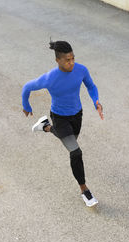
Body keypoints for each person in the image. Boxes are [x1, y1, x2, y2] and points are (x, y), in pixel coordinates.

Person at [21, 40, 104, 207]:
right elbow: (26, 87)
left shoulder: (81, 70)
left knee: (68, 138)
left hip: (77, 115)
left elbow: (91, 86)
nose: (71, 62)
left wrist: (96, 101)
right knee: (75, 152)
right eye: (67, 60)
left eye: (73, 58)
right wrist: (26, 105)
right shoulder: (49, 78)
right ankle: (84, 190)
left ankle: (45, 126)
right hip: (59, 116)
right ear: (57, 60)